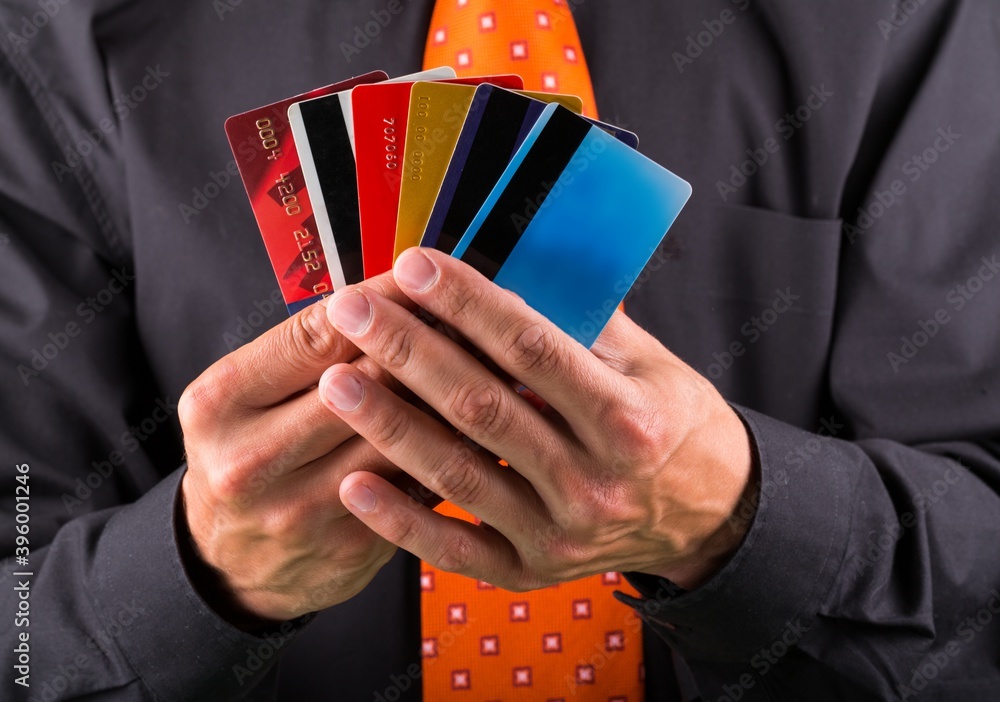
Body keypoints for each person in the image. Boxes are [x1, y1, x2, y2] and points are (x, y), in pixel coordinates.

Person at [1, 0, 998, 700]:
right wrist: (202, 572)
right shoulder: (54, 32)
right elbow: (16, 628)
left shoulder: (908, 16)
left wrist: (735, 519)